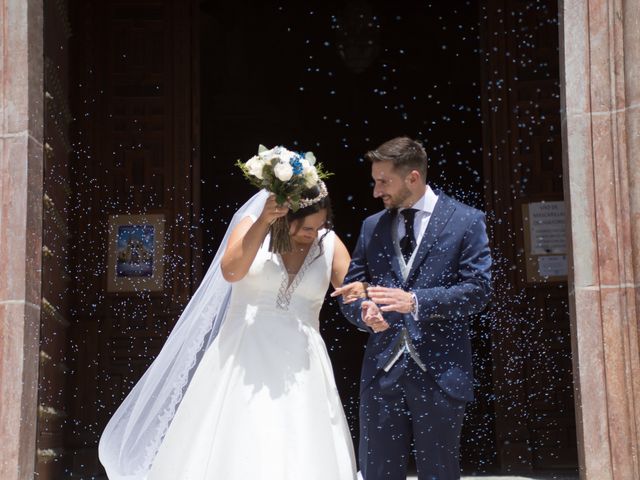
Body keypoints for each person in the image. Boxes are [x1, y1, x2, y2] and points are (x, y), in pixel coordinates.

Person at [99, 182, 364, 480]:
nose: (312, 234)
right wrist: (264, 222)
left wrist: (366, 300)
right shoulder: (252, 227)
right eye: (305, 227)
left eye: (319, 226)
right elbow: (232, 271)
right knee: (239, 435)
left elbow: (355, 295)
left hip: (303, 365)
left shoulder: (329, 244)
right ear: (285, 215)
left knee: (300, 438)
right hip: (243, 355)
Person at [333, 136, 492, 480]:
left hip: (441, 374)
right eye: (375, 181)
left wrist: (416, 302)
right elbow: (353, 289)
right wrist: (362, 311)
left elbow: (479, 290)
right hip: (381, 374)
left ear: (413, 178)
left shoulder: (466, 221)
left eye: (383, 181)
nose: (376, 191)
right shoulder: (371, 226)